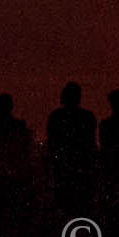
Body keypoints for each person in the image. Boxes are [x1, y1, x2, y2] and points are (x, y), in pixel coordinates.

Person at [45, 82, 97, 213]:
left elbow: (52, 143)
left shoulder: (55, 116)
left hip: (63, 166)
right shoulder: (87, 117)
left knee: (64, 205)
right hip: (81, 166)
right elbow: (90, 143)